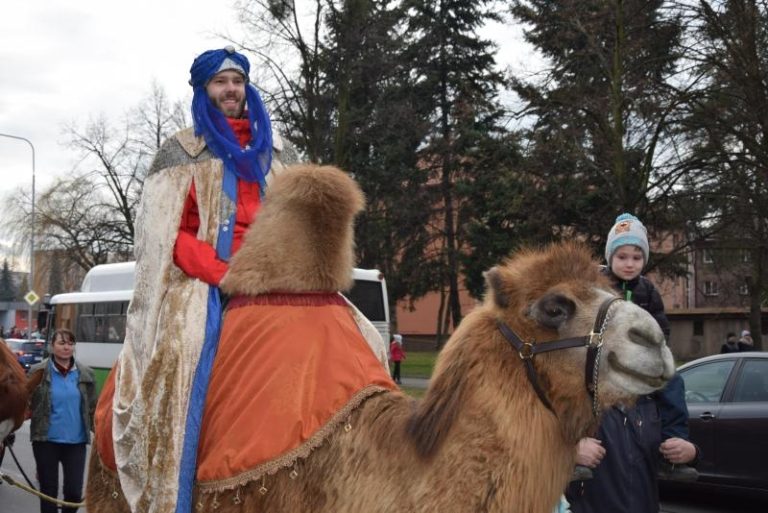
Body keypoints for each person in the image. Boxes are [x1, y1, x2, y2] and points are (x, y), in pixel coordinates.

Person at [106, 46, 387, 513]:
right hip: (207, 280)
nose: (231, 89)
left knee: (363, 335)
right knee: (183, 347)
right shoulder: (180, 152)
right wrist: (225, 275)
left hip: (278, 276)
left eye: (237, 81)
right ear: (204, 90)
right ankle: (175, 474)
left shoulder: (278, 153)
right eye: (221, 82)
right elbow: (168, 235)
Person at [567, 213, 699, 513]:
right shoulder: (595, 286)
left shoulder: (648, 291)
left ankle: (672, 446)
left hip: (639, 358)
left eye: (637, 258)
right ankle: (577, 450)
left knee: (672, 382)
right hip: (601, 358)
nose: (629, 264)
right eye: (622, 256)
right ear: (610, 257)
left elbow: (660, 329)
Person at [27, 329, 96, 513]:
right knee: (48, 491)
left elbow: (93, 409)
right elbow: (25, 402)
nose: (67, 347)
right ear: (52, 346)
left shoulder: (86, 374)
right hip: (45, 442)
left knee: (73, 492)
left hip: (76, 443)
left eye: (70, 343)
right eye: (62, 343)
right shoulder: (38, 372)